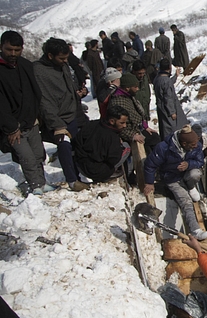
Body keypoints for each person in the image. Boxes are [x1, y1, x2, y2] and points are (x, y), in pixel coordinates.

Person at [0, 31, 55, 195]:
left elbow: (34, 93)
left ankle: (42, 182)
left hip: (31, 121)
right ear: (1, 47)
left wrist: (37, 115)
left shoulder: (24, 65)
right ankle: (35, 185)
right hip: (13, 126)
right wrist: (11, 127)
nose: (13, 54)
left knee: (38, 154)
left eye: (17, 50)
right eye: (9, 49)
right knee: (27, 157)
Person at [33, 37, 89, 192]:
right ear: (50, 56)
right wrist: (56, 123)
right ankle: (72, 180)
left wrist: (77, 93)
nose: (65, 61)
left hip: (72, 112)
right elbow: (44, 101)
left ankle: (78, 175)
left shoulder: (62, 65)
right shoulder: (39, 71)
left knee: (76, 146)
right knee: (64, 145)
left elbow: (68, 84)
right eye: (61, 58)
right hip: (57, 117)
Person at [144, 124, 207, 240]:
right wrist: (149, 182)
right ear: (184, 144)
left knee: (195, 174)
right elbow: (150, 165)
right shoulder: (164, 148)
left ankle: (190, 187)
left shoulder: (196, 145)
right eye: (193, 145)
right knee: (186, 202)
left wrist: (189, 164)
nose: (196, 147)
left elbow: (200, 161)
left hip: (187, 173)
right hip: (172, 178)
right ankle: (195, 230)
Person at [72, 105, 131, 183]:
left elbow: (76, 142)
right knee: (126, 147)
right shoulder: (112, 137)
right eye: (122, 123)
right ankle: (109, 173)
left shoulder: (91, 125)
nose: (124, 126)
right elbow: (113, 159)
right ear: (112, 121)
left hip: (80, 165)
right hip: (97, 171)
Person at [108, 72, 160, 156]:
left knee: (155, 138)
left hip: (138, 129)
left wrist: (145, 126)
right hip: (129, 134)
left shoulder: (128, 96)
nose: (137, 89)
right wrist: (132, 136)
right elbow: (118, 127)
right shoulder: (117, 102)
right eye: (135, 87)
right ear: (127, 88)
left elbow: (137, 113)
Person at [154, 58, 188, 139]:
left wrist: (176, 76)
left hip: (161, 108)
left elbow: (167, 85)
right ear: (169, 68)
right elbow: (168, 97)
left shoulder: (157, 79)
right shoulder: (166, 81)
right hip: (168, 109)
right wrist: (172, 112)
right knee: (172, 129)